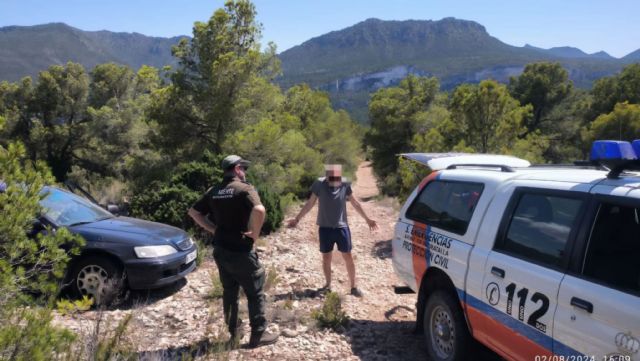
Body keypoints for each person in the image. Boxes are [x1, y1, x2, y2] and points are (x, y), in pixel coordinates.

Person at [188, 155, 278, 348]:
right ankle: (258, 335)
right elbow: (260, 210)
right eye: (243, 169)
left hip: (220, 249)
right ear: (237, 169)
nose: (244, 172)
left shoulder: (214, 191)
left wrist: (213, 229)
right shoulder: (245, 189)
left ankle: (234, 334)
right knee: (255, 293)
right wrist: (254, 235)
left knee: (230, 293)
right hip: (241, 250)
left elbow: (194, 212)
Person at [287, 164, 378, 297]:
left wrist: (368, 220)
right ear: (327, 176)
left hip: (342, 227)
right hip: (325, 228)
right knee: (326, 257)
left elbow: (355, 203)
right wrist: (297, 219)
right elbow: (310, 203)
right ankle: (328, 285)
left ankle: (353, 287)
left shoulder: (345, 183)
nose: (335, 181)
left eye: (337, 177)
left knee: (348, 256)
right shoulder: (319, 184)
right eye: (332, 178)